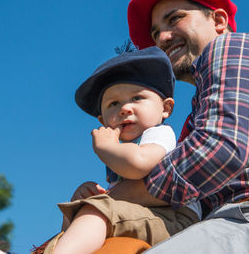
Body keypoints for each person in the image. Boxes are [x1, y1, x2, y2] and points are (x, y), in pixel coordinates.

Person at [107, 0, 249, 253]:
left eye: (175, 19)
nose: (162, 37)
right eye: (155, 33)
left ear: (219, 21)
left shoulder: (233, 46)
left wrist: (111, 200)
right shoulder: (199, 110)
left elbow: (221, 148)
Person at [50, 46, 201, 254]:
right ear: (103, 121)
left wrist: (106, 148)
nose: (125, 108)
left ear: (165, 108)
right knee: (86, 213)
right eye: (113, 103)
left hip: (173, 218)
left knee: (98, 210)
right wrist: (84, 195)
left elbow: (140, 164)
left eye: (137, 98)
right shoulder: (120, 153)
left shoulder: (159, 134)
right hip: (145, 214)